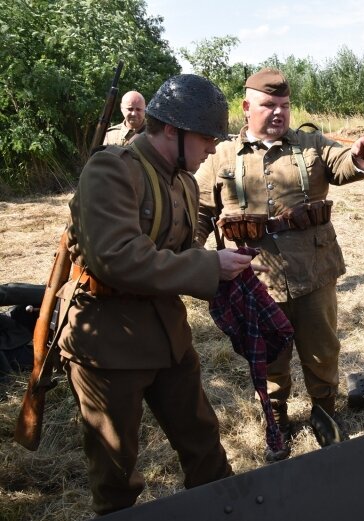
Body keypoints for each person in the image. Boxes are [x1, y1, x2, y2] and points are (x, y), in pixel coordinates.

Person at [60, 74, 253, 515]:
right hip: (109, 345)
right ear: (172, 130)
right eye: (205, 138)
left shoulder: (183, 181)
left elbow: (181, 253)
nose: (209, 149)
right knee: (116, 473)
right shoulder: (111, 170)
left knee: (205, 446)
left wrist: (229, 270)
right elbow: (118, 258)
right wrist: (206, 268)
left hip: (169, 337)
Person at [195, 68, 364, 442]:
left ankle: (325, 413)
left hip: (313, 271)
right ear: (247, 107)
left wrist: (360, 159)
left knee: (322, 351)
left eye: (285, 105)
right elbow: (200, 212)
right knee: (268, 357)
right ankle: (276, 413)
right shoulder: (222, 155)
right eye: (269, 105)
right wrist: (188, 260)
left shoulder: (311, 144)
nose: (279, 113)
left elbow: (342, 165)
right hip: (256, 279)